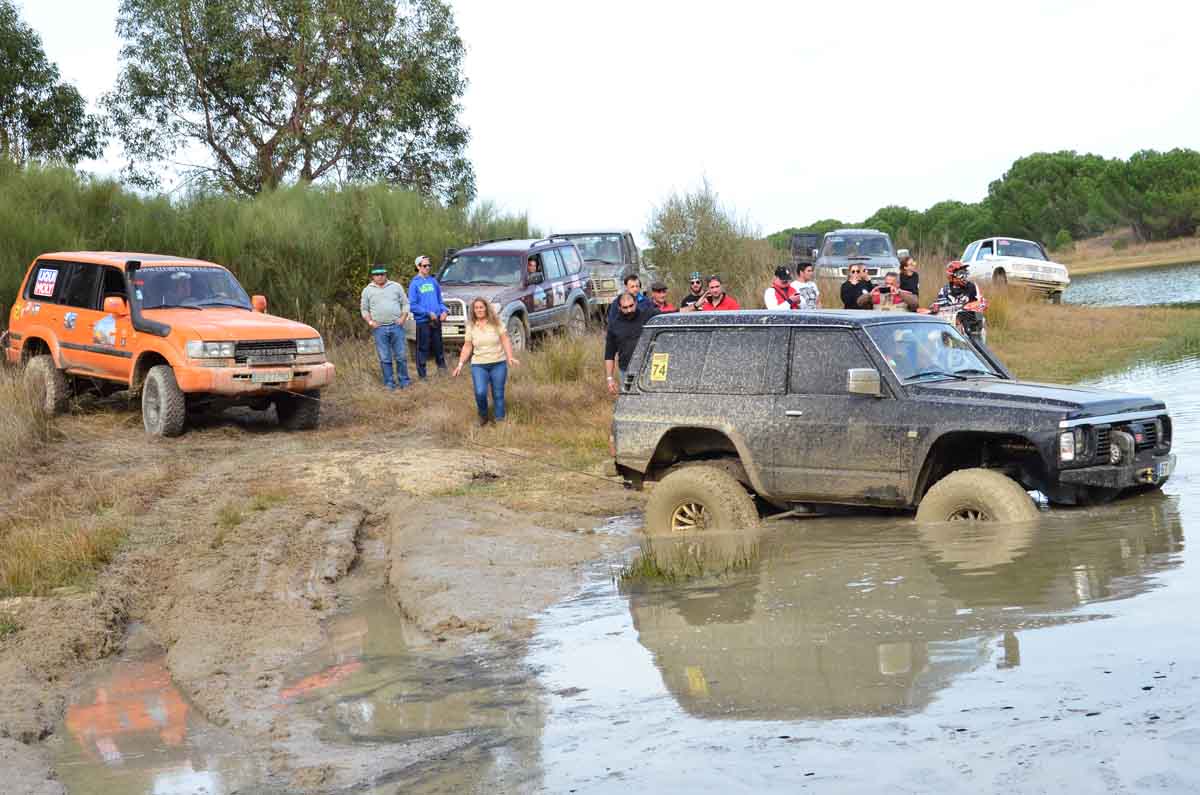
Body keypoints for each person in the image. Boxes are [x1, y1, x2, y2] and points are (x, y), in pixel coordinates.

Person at [452, 297, 520, 424]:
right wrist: (460, 364)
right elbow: (467, 346)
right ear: (473, 310)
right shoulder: (471, 326)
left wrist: (510, 356)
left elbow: (505, 339)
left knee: (498, 393)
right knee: (480, 392)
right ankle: (483, 416)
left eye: (481, 307)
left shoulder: (496, 322)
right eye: (476, 308)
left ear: (486, 308)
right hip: (479, 365)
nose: (479, 310)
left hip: (498, 363)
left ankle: (500, 420)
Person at [360, 264, 411, 390]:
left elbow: (405, 303)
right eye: (377, 274)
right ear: (373, 276)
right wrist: (371, 322)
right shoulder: (367, 290)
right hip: (379, 329)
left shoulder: (396, 286)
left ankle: (404, 382)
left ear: (386, 274)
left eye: (382, 274)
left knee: (401, 356)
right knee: (385, 357)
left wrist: (403, 318)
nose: (380, 277)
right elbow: (364, 309)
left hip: (396, 326)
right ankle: (389, 383)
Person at [605, 293, 658, 393]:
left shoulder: (649, 315)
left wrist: (694, 306)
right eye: (625, 308)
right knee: (629, 400)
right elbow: (609, 354)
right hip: (626, 370)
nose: (629, 310)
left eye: (631, 306)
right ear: (619, 307)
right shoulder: (614, 324)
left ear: (636, 303)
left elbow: (670, 315)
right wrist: (609, 378)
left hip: (649, 369)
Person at [408, 254, 448, 378]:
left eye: (429, 265)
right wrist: (427, 313)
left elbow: (440, 301)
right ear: (418, 266)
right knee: (423, 349)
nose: (427, 268)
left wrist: (444, 311)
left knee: (438, 347)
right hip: (423, 322)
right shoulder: (414, 284)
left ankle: (442, 372)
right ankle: (423, 376)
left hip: (436, 320)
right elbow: (413, 305)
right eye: (424, 266)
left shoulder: (433, 281)